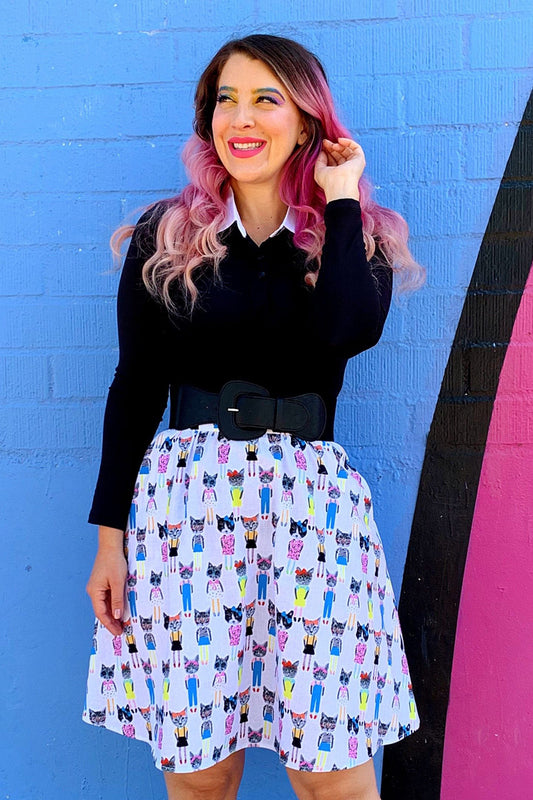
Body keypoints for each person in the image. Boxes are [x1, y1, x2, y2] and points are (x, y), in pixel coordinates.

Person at [83, 33, 424, 800]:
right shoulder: (166, 239)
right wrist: (110, 541)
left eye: (265, 98)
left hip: (314, 517)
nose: (240, 116)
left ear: (305, 122)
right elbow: (134, 388)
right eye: (224, 100)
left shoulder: (350, 239)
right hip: (186, 516)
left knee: (330, 773)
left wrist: (340, 199)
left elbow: (346, 331)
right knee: (202, 775)